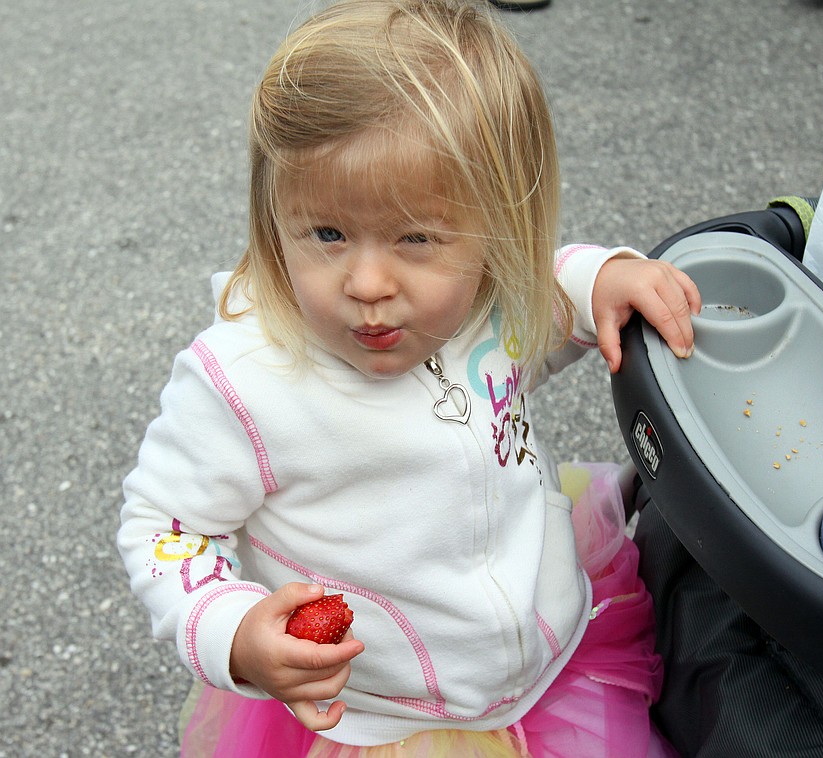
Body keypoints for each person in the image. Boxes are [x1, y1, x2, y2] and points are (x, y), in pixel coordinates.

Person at [117, 0, 700, 755]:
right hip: (383, 715)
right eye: (327, 233)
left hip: (555, 648)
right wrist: (229, 630)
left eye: (416, 238)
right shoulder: (245, 383)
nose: (366, 282)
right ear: (273, 217)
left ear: (497, 233)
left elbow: (543, 297)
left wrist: (599, 280)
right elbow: (164, 525)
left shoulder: (485, 304)